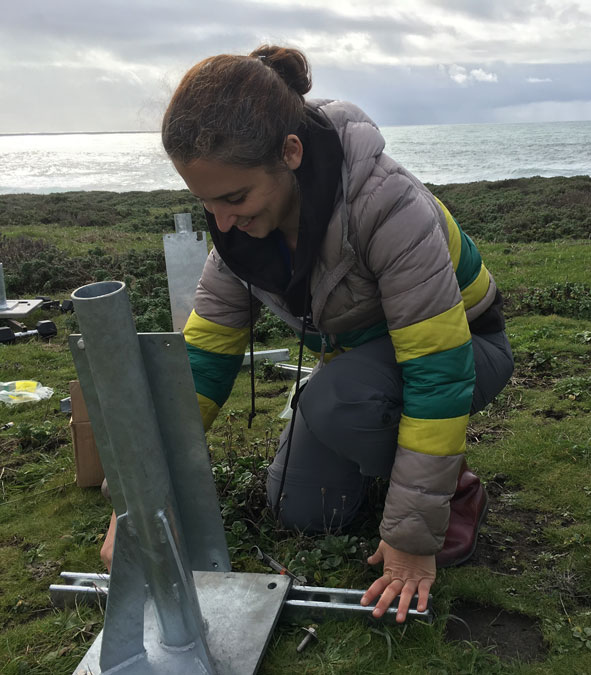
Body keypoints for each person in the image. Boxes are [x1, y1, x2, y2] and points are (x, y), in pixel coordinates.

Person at [104, 44, 514, 624]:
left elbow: (438, 369)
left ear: (290, 153)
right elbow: (200, 364)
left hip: (469, 347)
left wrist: (413, 538)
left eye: (234, 198)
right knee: (301, 510)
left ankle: (458, 490)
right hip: (360, 364)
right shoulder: (239, 236)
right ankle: (399, 466)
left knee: (337, 399)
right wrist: (140, 506)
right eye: (205, 203)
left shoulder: (390, 207)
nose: (221, 223)